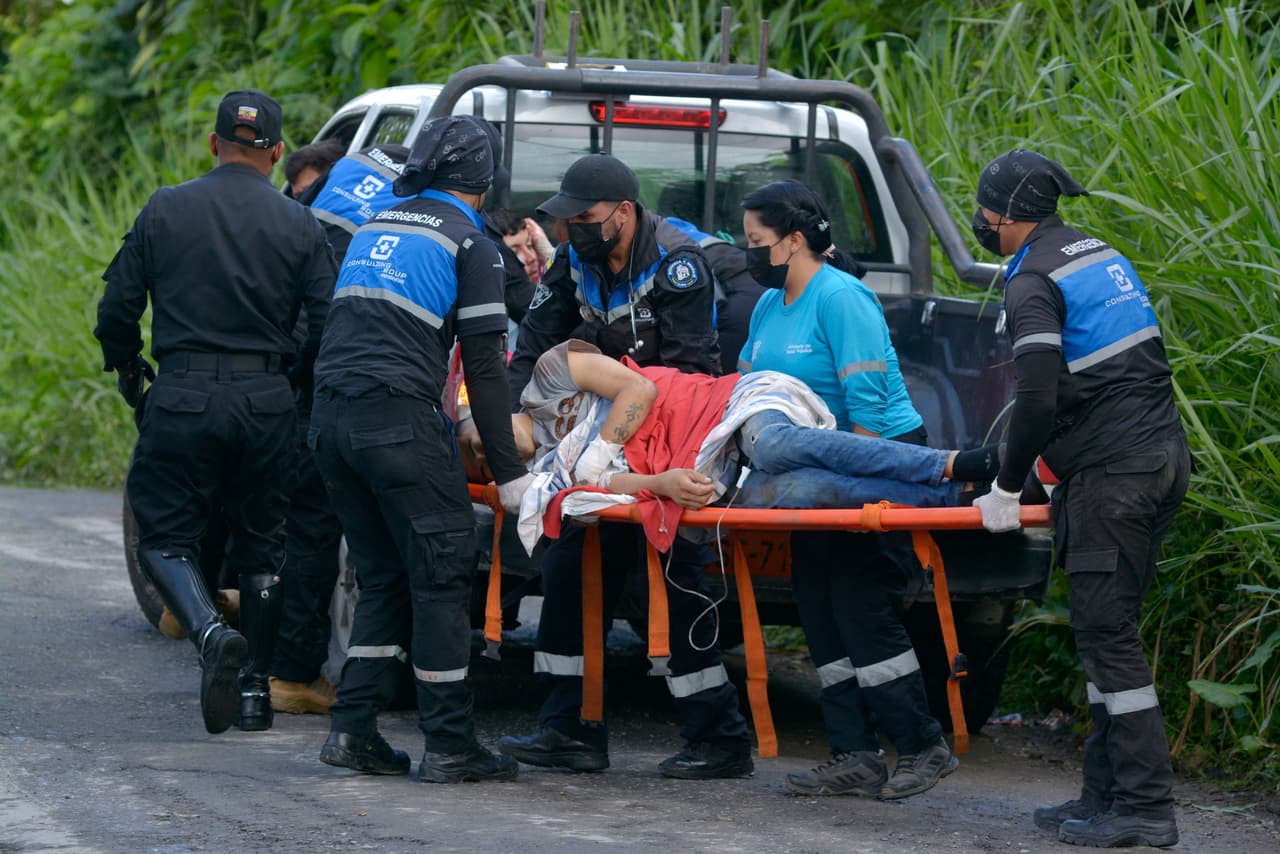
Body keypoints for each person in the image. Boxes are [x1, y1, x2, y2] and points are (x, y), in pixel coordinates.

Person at [498, 154, 753, 780]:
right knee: (567, 569)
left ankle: (720, 738)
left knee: (681, 581)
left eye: (584, 218)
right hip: (599, 446)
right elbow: (529, 353)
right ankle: (570, 730)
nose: (572, 230)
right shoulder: (572, 264)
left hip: (671, 442)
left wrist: (650, 472)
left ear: (625, 213)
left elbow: (690, 376)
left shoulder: (678, 265)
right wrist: (505, 425)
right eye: (566, 219)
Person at [94, 89, 336, 734]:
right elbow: (323, 321)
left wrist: (129, 368)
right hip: (266, 402)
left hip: (183, 393)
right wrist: (288, 379)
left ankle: (206, 631)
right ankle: (254, 691)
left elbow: (117, 308)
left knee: (165, 537)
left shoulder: (166, 208)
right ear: (278, 152)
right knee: (263, 548)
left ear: (213, 143)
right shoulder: (300, 223)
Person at [970, 149, 1188, 849]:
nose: (980, 220)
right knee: (1104, 634)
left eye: (983, 209)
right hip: (1154, 460)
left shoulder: (1032, 276)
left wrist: (1006, 486)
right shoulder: (1094, 252)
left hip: (1112, 478)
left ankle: (1147, 810)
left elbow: (1036, 397)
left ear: (1004, 214)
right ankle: (1104, 798)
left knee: (1110, 641)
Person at [309, 114, 532, 783]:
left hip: (330, 421)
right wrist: (513, 476)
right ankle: (451, 743)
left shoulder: (378, 224)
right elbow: (487, 372)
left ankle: (353, 730)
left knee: (382, 574)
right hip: (397, 421)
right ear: (484, 178)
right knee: (440, 572)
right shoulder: (472, 244)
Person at [737, 179, 957, 799]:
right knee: (819, 609)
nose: (750, 252)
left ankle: (922, 744)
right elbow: (754, 390)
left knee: (862, 609)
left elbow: (865, 413)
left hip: (877, 467)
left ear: (795, 240)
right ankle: (854, 753)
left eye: (757, 241)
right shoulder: (769, 305)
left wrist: (856, 493)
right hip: (809, 477)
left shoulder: (842, 299)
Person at [465, 340, 1002, 553]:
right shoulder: (545, 479)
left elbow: (641, 389)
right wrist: (661, 484)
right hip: (708, 472)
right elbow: (612, 490)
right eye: (482, 464)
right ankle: (956, 501)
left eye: (481, 441)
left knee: (773, 448)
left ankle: (954, 463)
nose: (490, 455)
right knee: (797, 492)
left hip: (726, 409)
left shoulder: (552, 373)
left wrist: (600, 452)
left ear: (485, 416)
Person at [269, 142, 412, 716]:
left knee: (290, 529)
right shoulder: (423, 205)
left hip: (289, 377)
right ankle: (291, 673)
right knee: (312, 529)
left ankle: (271, 663)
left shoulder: (327, 192)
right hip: (336, 382)